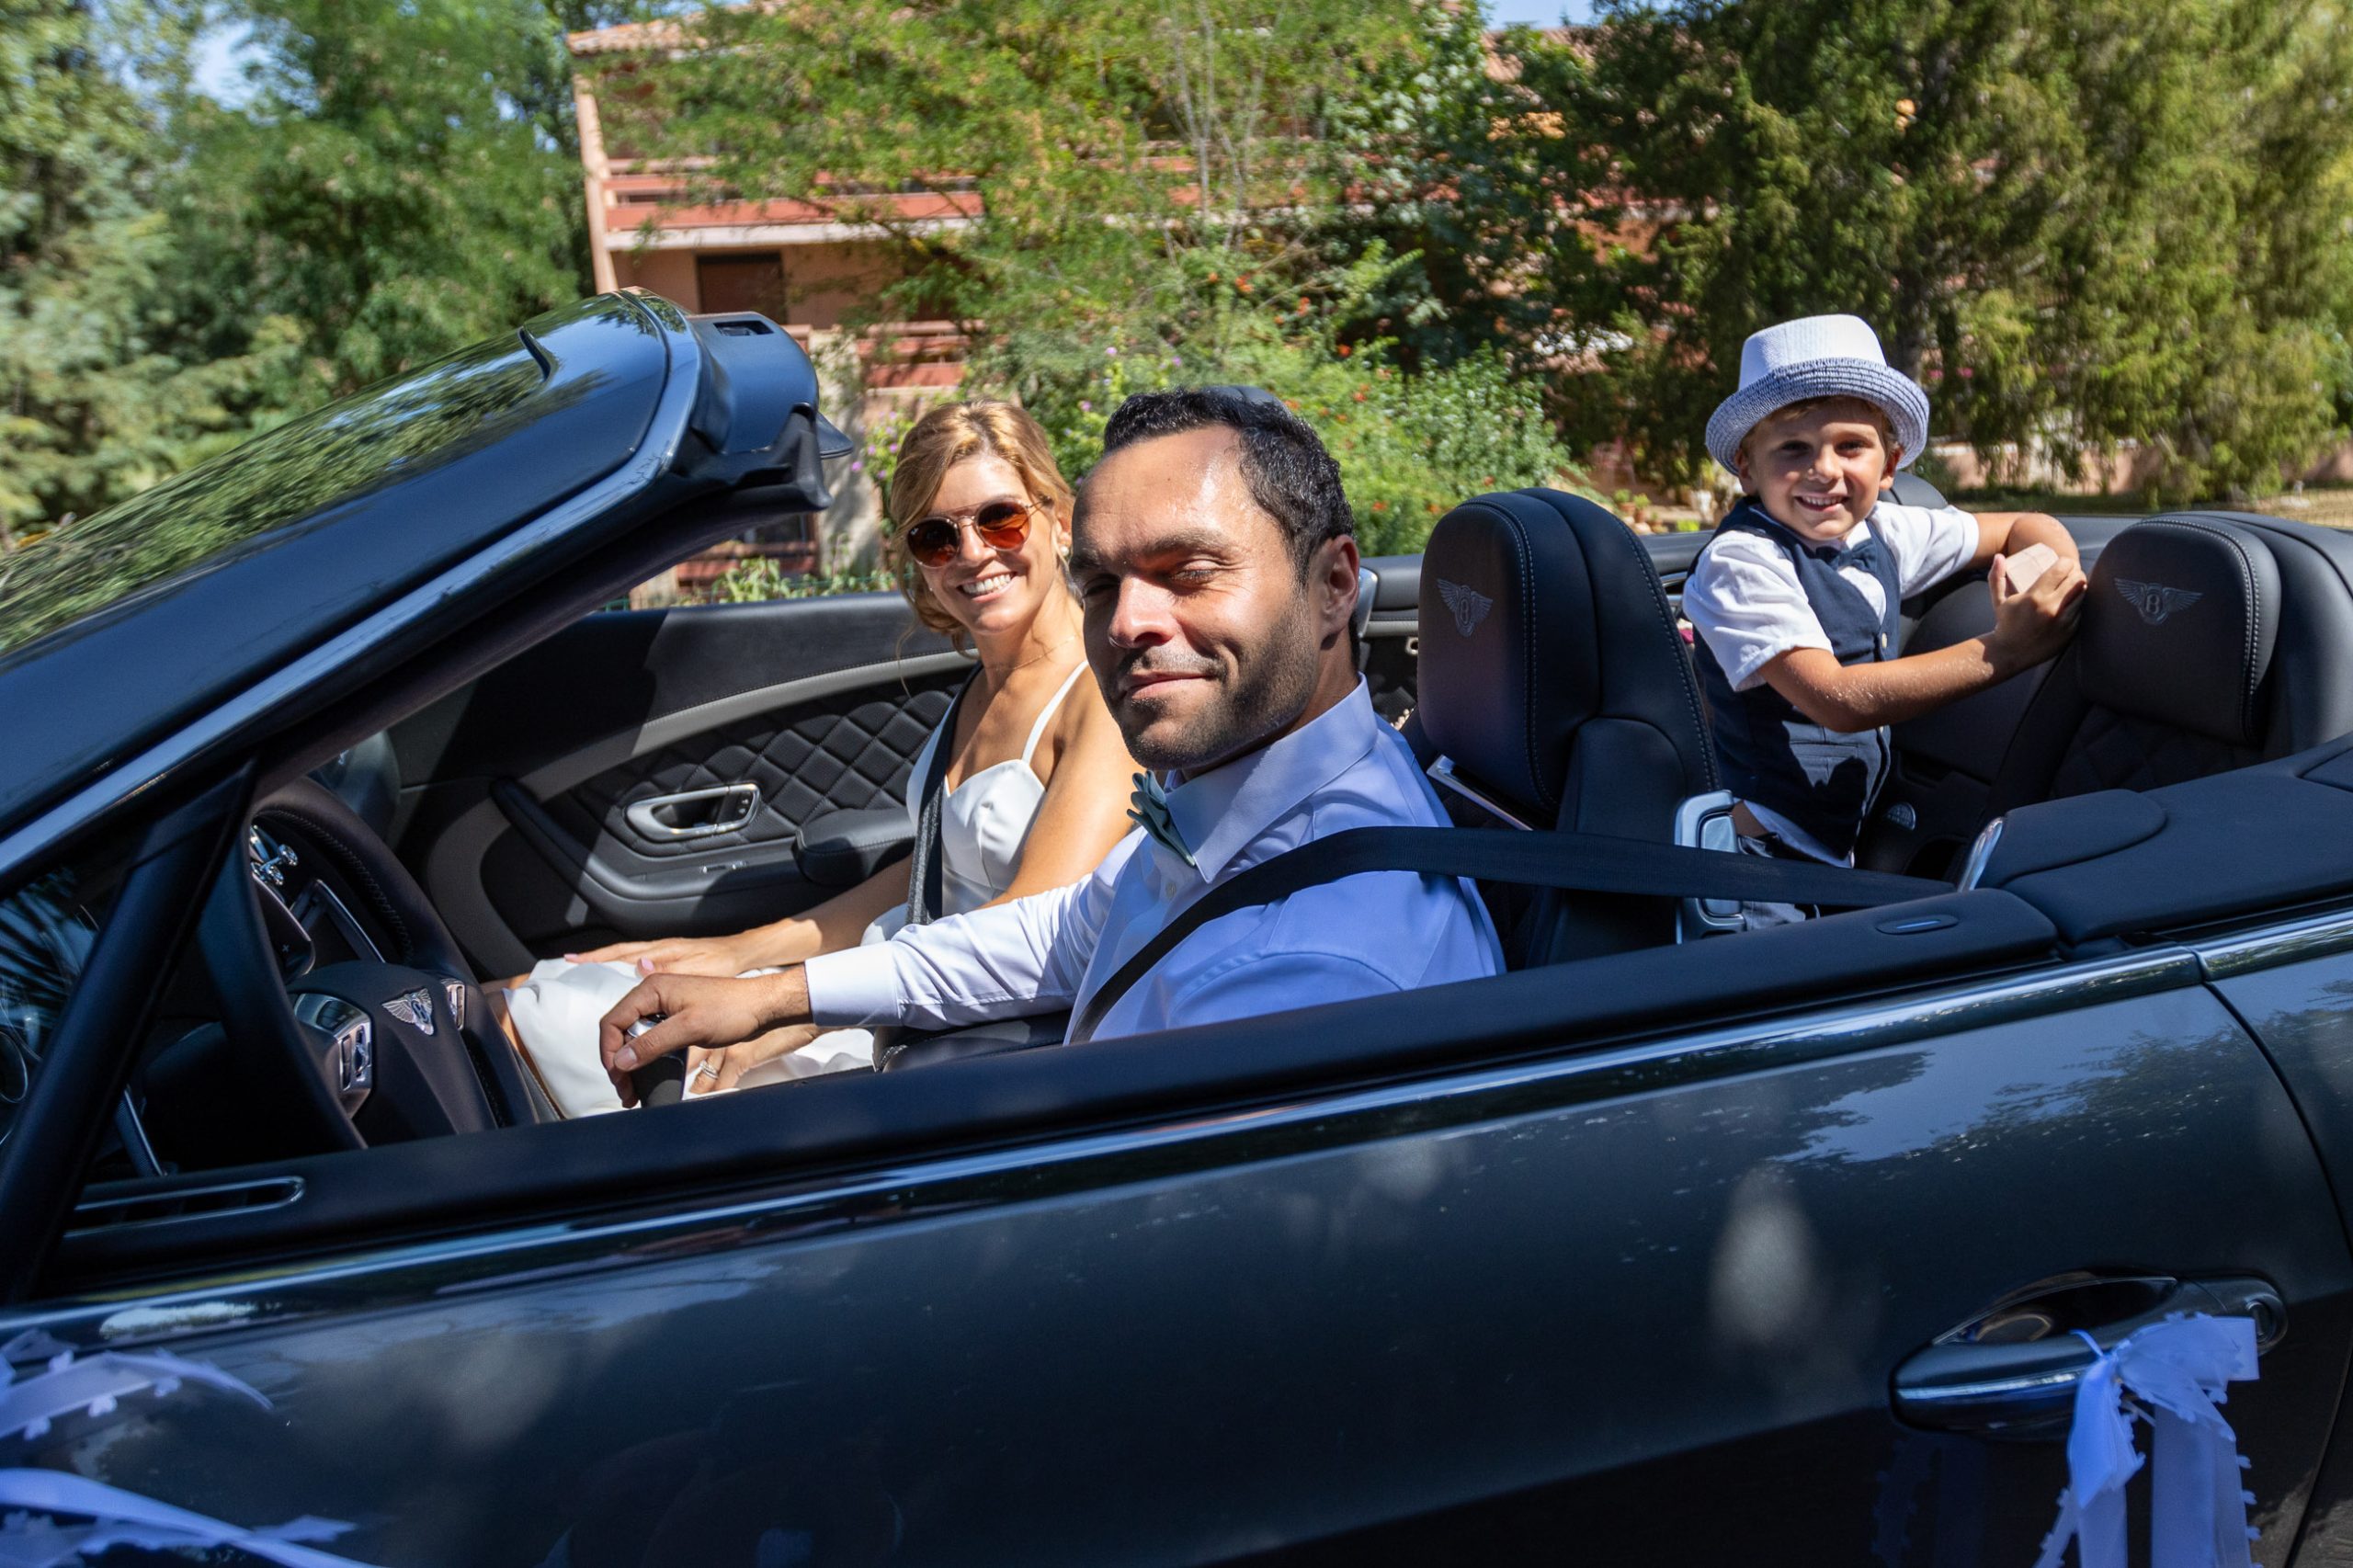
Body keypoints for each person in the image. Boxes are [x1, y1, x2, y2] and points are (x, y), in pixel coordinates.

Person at [596, 387, 1505, 1099]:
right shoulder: (1227, 800)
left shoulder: (1316, 964)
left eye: (1188, 571)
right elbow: (1062, 931)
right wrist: (773, 990)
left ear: (1333, 585)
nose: (1129, 622)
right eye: (1102, 584)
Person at [498, 402, 1139, 1111]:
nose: (972, 552)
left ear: (1059, 520)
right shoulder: (984, 689)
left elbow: (1026, 935)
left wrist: (786, 1011)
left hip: (970, 1046)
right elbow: (929, 872)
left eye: (1000, 519)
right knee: (540, 991)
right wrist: (740, 950)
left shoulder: (1100, 700)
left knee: (552, 1024)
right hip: (893, 997)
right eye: (935, 536)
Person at [1684, 314, 2087, 919]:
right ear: (1747, 466)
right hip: (1759, 858)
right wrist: (2007, 649)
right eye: (1793, 448)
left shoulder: (1884, 531)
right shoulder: (1741, 561)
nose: (1825, 469)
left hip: (1834, 849)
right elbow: (1838, 700)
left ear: (1890, 463)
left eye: (1851, 446)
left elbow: (2024, 524)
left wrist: (2054, 579)